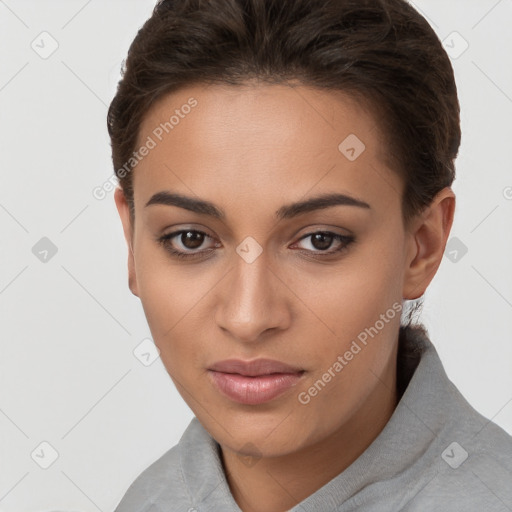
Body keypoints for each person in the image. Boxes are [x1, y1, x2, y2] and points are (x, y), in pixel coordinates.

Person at [107, 0, 512, 510]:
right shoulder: (147, 501)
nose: (249, 317)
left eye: (321, 240)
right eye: (190, 238)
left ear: (422, 246)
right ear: (132, 239)